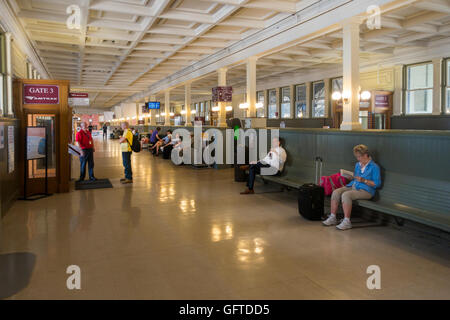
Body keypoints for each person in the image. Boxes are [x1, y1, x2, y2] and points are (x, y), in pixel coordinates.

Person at [323, 144, 381, 231]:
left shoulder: (374, 167)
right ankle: (333, 217)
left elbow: (377, 183)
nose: (358, 159)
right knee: (336, 192)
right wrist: (350, 177)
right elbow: (355, 177)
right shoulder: (358, 165)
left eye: (359, 157)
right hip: (354, 185)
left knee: (346, 195)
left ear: (365, 155)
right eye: (357, 157)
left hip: (366, 190)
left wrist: (364, 181)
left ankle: (347, 222)